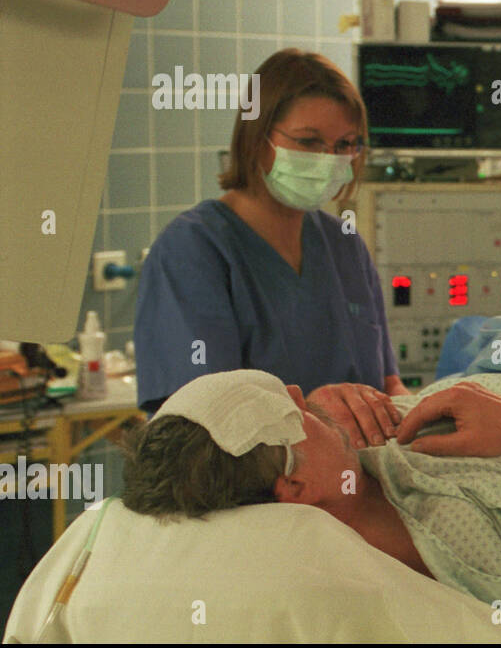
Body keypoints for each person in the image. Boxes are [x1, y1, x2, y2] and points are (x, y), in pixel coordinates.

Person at [122, 369, 501, 644]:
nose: (298, 393)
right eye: (293, 414)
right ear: (293, 491)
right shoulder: (458, 533)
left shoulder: (353, 478)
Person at [134, 49, 407, 444]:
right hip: (256, 497)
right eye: (309, 142)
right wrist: (313, 413)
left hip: (358, 483)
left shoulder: (344, 245)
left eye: (346, 144)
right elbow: (193, 429)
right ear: (257, 137)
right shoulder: (194, 251)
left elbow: (386, 384)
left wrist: (421, 412)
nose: (329, 160)